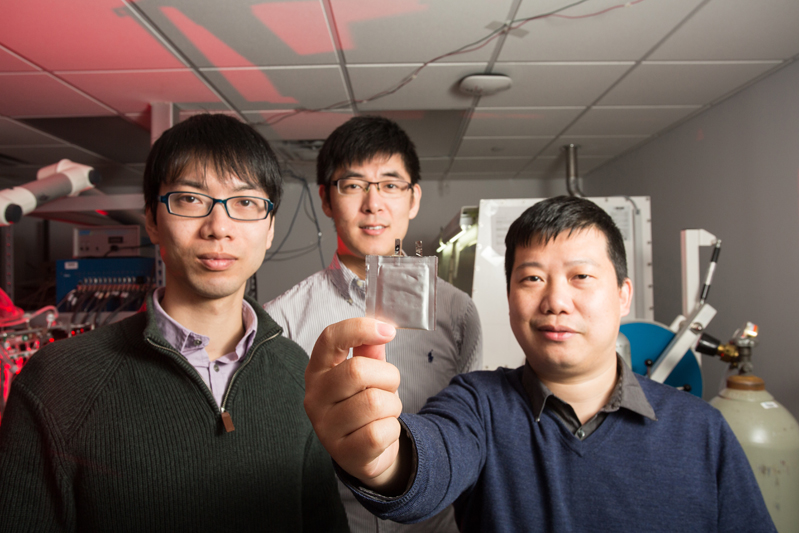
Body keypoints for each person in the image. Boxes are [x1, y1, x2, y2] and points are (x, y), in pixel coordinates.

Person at [304, 196, 776, 532]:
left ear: (622, 295)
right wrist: (383, 458)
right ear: (510, 297)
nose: (555, 300)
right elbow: (429, 462)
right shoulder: (478, 404)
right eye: (532, 278)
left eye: (581, 277)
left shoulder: (702, 432)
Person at [0, 114, 348, 532]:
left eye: (246, 203)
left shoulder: (299, 373)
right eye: (190, 199)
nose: (219, 228)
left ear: (270, 227)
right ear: (152, 219)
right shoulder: (57, 381)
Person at [264, 115, 482, 532]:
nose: (373, 204)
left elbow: (469, 436)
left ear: (413, 198)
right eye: (353, 185)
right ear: (326, 199)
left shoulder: (457, 313)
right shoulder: (281, 320)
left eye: (390, 184)